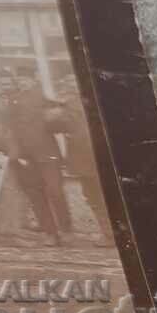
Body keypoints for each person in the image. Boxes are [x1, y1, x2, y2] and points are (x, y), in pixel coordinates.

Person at [0, 67, 69, 246]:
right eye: (20, 79)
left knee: (55, 191)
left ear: (35, 80)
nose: (23, 82)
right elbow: (10, 130)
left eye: (26, 79)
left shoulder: (45, 99)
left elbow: (61, 122)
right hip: (26, 157)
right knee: (36, 195)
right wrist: (17, 154)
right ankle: (50, 233)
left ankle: (66, 229)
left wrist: (59, 113)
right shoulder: (13, 101)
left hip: (48, 154)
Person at [57, 74, 113, 247]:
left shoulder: (74, 105)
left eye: (72, 84)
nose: (68, 88)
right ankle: (109, 234)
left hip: (91, 159)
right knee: (95, 197)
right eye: (66, 84)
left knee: (98, 197)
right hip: (86, 160)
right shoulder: (70, 105)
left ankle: (111, 235)